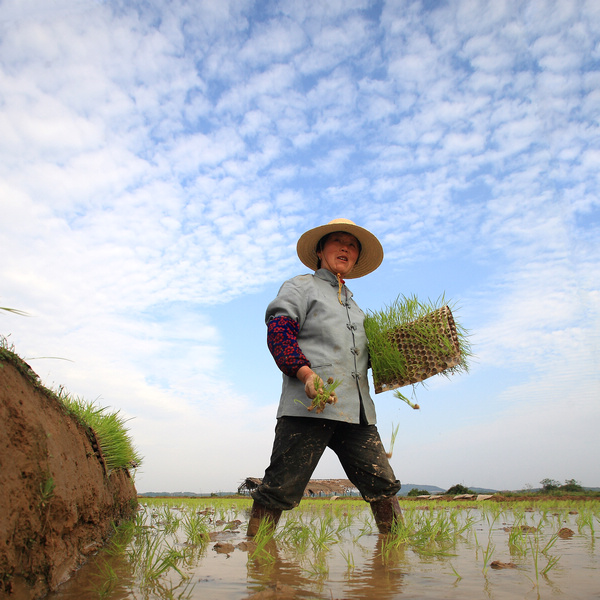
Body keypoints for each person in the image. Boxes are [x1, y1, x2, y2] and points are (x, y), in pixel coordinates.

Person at [248, 218, 402, 536]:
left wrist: (401, 357)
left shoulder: (356, 309)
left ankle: (395, 555)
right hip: (310, 405)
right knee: (280, 486)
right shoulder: (301, 286)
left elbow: (362, 360)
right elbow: (279, 329)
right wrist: (305, 374)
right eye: (338, 241)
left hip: (357, 414)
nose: (346, 247)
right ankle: (258, 556)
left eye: (353, 245)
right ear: (320, 250)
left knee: (383, 484)